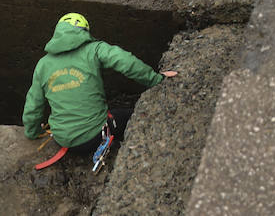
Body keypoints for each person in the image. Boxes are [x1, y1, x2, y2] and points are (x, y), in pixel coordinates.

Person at [22, 12, 170, 159]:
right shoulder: (95, 49)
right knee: (134, 115)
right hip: (95, 136)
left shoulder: (42, 65)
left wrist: (32, 132)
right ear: (85, 31)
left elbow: (33, 104)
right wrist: (156, 80)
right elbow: (126, 62)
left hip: (63, 140)